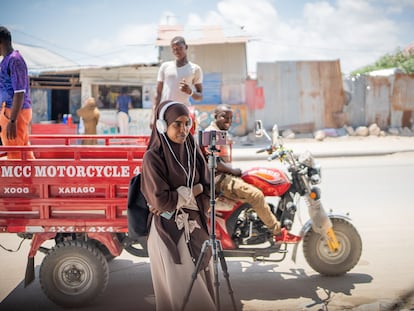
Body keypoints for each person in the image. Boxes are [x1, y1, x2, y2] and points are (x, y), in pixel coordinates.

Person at [140, 100, 215, 311]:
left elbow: (210, 189)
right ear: (162, 126)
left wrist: (182, 195)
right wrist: (195, 190)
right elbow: (161, 202)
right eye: (177, 124)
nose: (183, 130)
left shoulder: (193, 151)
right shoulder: (153, 158)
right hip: (168, 234)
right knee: (181, 293)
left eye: (186, 124)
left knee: (201, 285)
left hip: (196, 229)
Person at [204, 104, 299, 243]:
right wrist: (233, 171)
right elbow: (212, 162)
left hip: (224, 177)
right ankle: (278, 232)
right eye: (224, 117)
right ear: (215, 116)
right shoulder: (212, 133)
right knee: (256, 195)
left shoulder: (219, 131)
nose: (228, 121)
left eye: (230, 118)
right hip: (219, 180)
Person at [152, 36, 203, 131]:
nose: (177, 51)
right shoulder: (165, 67)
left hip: (183, 112)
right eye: (174, 49)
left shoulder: (195, 69)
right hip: (165, 112)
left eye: (180, 48)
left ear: (186, 47)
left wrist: (190, 91)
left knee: (182, 142)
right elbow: (158, 93)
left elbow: (200, 96)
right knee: (165, 143)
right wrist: (153, 116)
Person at [0, 26, 34, 159]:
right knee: (22, 151)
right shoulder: (6, 60)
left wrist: (12, 121)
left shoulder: (14, 60)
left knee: (15, 153)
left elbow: (19, 92)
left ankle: (20, 180)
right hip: (9, 112)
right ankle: (35, 179)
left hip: (14, 113)